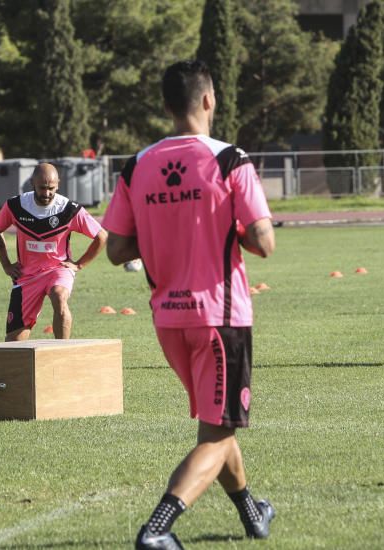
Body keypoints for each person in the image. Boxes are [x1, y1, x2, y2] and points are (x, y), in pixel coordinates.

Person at [102, 60, 277, 549]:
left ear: (165, 106)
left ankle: (251, 511)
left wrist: (169, 233)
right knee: (217, 434)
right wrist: (219, 226)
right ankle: (157, 531)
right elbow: (264, 242)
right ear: (209, 100)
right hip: (220, 317)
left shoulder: (137, 165)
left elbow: (116, 249)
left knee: (216, 427)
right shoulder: (229, 160)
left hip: (168, 321)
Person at [0, 163, 107, 341]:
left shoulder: (69, 210)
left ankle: (63, 354)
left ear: (58, 184)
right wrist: (6, 264)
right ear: (32, 183)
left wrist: (79, 264)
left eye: (51, 188)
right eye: (42, 188)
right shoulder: (15, 206)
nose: (46, 193)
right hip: (26, 276)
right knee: (13, 343)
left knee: (59, 295)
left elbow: (101, 236)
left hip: (57, 269)